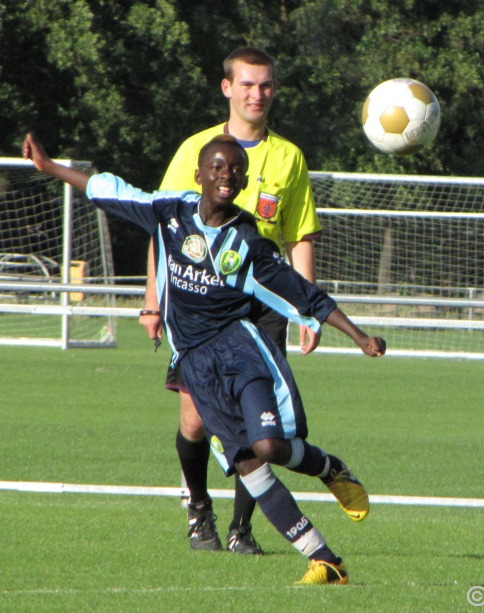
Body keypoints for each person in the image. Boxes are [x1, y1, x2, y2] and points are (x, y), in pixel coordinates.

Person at [24, 132, 386, 585]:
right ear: (199, 174)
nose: (225, 175)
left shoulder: (249, 241)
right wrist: (49, 167)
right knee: (248, 462)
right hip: (195, 364)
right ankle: (324, 560)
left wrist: (359, 336)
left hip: (242, 353)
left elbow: (305, 294)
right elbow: (106, 187)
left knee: (270, 447)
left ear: (244, 178)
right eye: (216, 167)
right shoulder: (170, 211)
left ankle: (329, 467)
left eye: (235, 169)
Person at [138, 47, 324, 555]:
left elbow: (298, 235)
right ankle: (200, 511)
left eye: (265, 85)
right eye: (246, 85)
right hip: (199, 303)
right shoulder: (195, 149)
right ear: (227, 88)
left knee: (253, 418)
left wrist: (304, 307)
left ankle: (243, 529)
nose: (256, 94)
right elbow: (163, 224)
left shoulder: (289, 158)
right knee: (195, 419)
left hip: (259, 305)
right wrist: (153, 300)